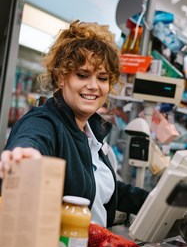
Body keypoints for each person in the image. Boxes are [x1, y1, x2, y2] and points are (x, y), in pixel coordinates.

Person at [0, 20, 148, 227]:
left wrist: (157, 200)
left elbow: (100, 188)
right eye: (82, 75)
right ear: (62, 77)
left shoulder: (92, 133)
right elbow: (32, 138)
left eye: (103, 78)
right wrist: (24, 154)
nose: (93, 86)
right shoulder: (45, 121)